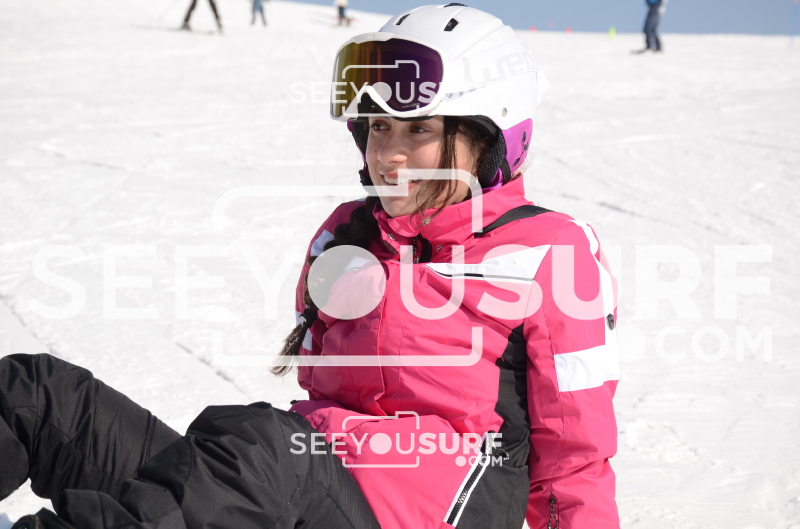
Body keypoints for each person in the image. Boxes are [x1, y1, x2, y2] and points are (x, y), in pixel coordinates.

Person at [0, 5, 620, 529]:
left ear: (490, 138)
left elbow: (577, 458)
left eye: (418, 130)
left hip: (415, 510)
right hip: (305, 490)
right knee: (37, 393)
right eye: (378, 128)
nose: (388, 153)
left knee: (265, 446)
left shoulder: (549, 252)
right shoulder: (349, 235)